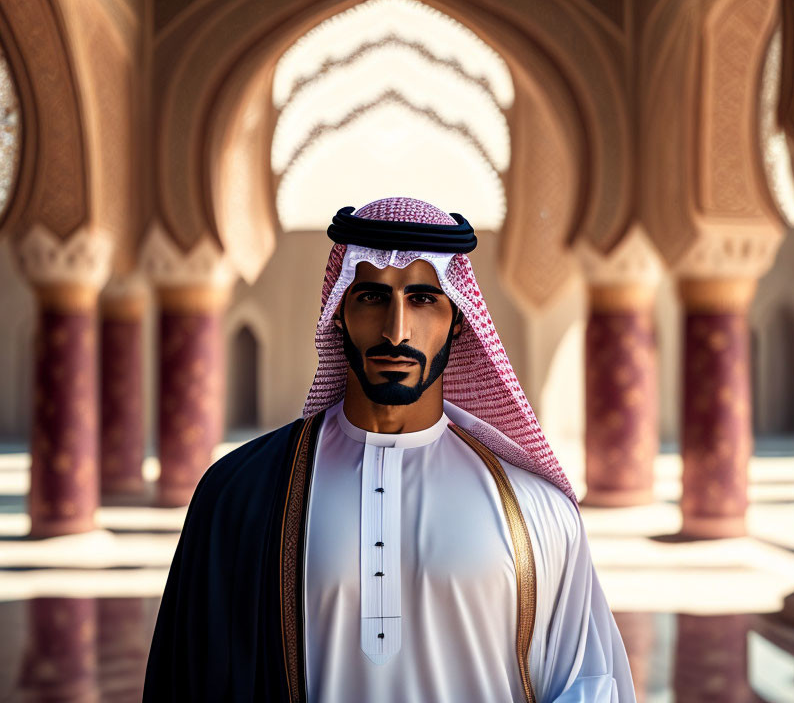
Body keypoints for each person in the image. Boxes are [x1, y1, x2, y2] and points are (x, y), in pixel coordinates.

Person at [144, 197, 635, 702]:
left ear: (459, 321)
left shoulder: (536, 511)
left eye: (423, 299)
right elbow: (189, 676)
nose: (396, 331)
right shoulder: (238, 497)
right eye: (373, 298)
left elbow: (588, 684)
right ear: (338, 313)